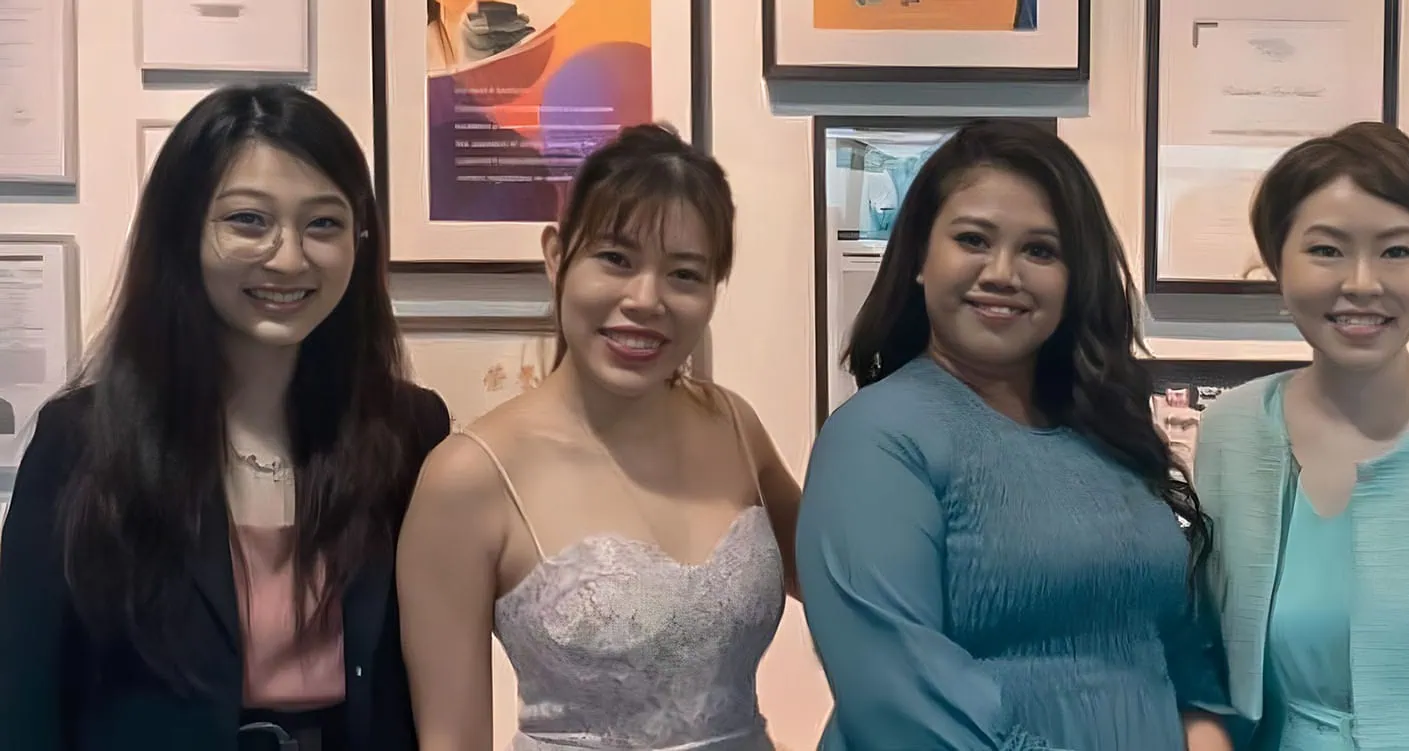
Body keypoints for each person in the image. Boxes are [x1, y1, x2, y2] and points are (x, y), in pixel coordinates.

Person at [0, 84, 451, 751]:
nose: (289, 257)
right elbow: (22, 696)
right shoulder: (82, 443)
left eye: (323, 224)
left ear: (360, 240)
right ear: (182, 231)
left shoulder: (411, 430)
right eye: (248, 220)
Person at [795, 119, 1232, 751]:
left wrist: (1206, 729)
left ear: (1074, 278)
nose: (1003, 273)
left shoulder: (1108, 432)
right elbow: (899, 703)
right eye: (973, 240)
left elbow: (1179, 650)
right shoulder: (877, 439)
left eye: (1040, 251)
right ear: (918, 258)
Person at [397, 123, 803, 751]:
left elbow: (850, 590)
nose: (646, 299)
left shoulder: (733, 425)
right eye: (616, 259)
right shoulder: (470, 477)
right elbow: (451, 739)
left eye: (685, 274)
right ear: (556, 256)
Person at [1195, 121, 1409, 749]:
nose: (1361, 283)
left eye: (1397, 251)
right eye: (1326, 250)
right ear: (1277, 262)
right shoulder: (1233, 429)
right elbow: (1207, 653)